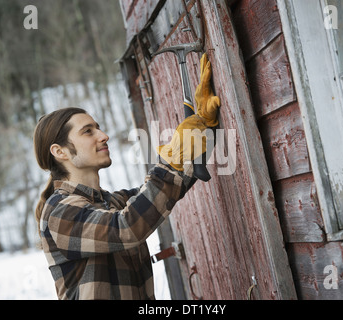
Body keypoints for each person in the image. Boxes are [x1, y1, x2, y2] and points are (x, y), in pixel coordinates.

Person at [33, 53, 220, 300]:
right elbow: (127, 226)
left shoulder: (111, 203)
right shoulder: (59, 212)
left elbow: (170, 185)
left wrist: (205, 128)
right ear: (60, 152)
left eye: (98, 127)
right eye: (88, 132)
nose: (103, 135)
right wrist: (174, 155)